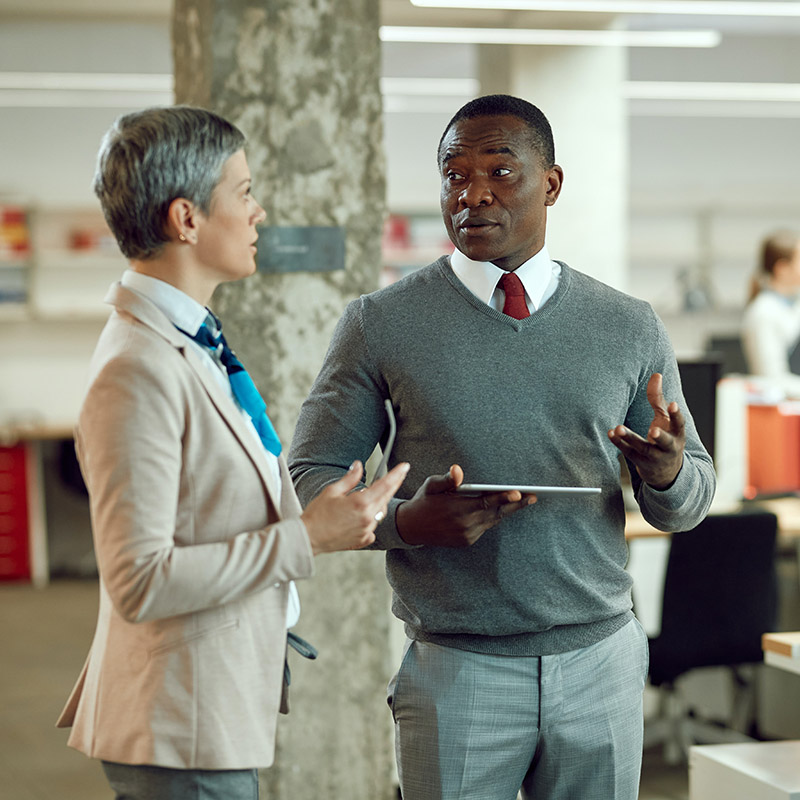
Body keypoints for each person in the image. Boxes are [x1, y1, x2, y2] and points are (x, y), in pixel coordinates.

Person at [288, 94, 715, 800]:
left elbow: (689, 500)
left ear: (550, 184)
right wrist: (405, 525)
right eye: (454, 174)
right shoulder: (380, 323)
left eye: (499, 171)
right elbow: (313, 475)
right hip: (458, 668)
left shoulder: (628, 325)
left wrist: (668, 473)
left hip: (599, 661)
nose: (473, 194)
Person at [55, 106, 410, 800]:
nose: (259, 211)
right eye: (243, 193)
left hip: (207, 706)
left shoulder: (190, 340)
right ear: (186, 219)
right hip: (177, 720)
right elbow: (141, 581)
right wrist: (307, 538)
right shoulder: (138, 367)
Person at [742, 229, 800, 397]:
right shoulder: (763, 313)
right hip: (779, 415)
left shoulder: (794, 306)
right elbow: (772, 379)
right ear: (782, 268)